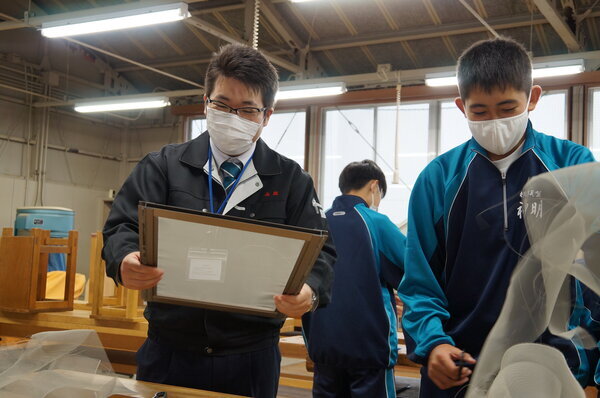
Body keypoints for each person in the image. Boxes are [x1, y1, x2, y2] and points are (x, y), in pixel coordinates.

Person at [102, 43, 335, 398]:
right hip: (170, 349)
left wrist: (310, 291)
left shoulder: (290, 180)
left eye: (246, 110)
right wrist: (124, 260)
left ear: (267, 116)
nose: (232, 117)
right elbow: (121, 227)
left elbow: (323, 251)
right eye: (222, 105)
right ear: (205, 102)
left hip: (250, 355)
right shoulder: (163, 166)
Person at [398, 36, 596, 398]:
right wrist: (434, 343)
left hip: (553, 366)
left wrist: (595, 371)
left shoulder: (572, 165)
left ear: (532, 98)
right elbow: (419, 284)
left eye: (507, 109)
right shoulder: (438, 179)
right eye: (480, 112)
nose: (495, 122)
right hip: (460, 367)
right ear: (461, 107)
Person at [303, 160, 406, 398]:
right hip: (368, 346)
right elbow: (411, 271)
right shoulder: (376, 222)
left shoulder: (319, 223)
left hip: (323, 343)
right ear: (374, 186)